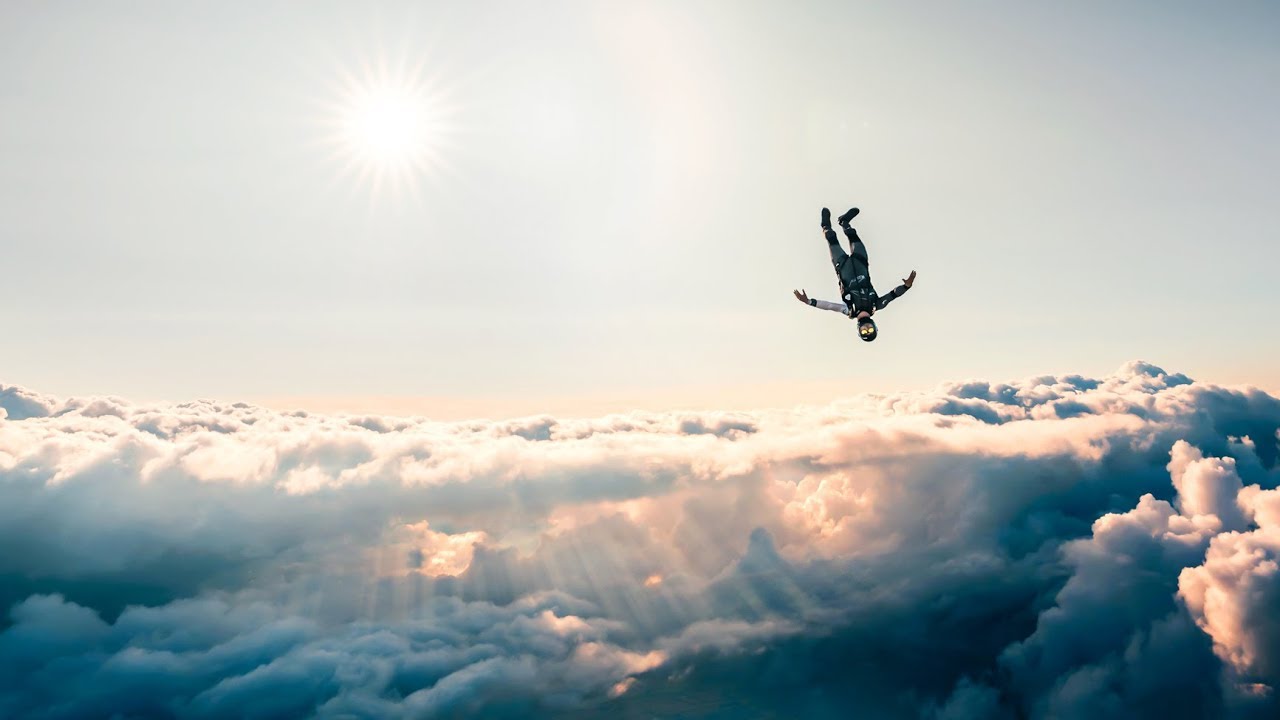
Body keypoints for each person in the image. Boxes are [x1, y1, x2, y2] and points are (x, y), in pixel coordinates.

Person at [793, 207, 916, 342]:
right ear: (875, 327)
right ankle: (844, 221)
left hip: (842, 266)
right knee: (853, 236)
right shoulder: (876, 305)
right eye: (870, 329)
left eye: (864, 331)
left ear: (858, 329)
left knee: (831, 237)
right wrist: (907, 286)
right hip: (860, 263)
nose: (867, 327)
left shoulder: (849, 310)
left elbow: (829, 306)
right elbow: (893, 295)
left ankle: (825, 225)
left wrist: (809, 301)